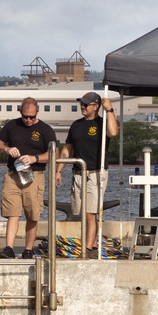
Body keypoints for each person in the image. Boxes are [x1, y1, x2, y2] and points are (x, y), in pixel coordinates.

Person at [56, 92, 118, 257]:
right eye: (81, 104)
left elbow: (113, 133)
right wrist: (58, 170)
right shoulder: (76, 125)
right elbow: (67, 148)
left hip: (95, 173)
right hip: (78, 173)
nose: (82, 106)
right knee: (81, 213)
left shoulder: (102, 123)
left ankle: (88, 248)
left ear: (95, 106)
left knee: (91, 213)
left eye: (86, 104)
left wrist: (110, 109)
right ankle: (93, 242)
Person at [0, 97, 56, 259]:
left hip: (34, 175)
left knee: (33, 213)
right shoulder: (11, 125)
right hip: (13, 175)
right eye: (25, 117)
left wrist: (35, 158)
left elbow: (53, 153)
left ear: (37, 112)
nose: (28, 120)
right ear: (20, 112)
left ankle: (28, 249)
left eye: (32, 117)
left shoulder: (45, 129)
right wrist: (7, 149)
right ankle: (9, 248)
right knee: (12, 212)